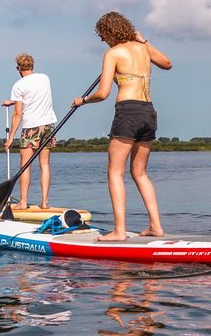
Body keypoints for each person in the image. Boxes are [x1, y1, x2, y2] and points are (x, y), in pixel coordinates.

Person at [73, 12, 172, 241]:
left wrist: (83, 101)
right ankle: (156, 226)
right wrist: (144, 40)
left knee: (115, 172)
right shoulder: (143, 48)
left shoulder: (113, 53)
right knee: (139, 172)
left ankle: (119, 231)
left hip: (128, 112)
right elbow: (167, 63)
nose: (102, 40)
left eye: (103, 35)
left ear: (110, 32)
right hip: (149, 111)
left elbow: (103, 93)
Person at [5, 53, 57, 210]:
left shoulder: (18, 85)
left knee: (25, 166)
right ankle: (45, 202)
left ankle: (23, 202)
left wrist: (11, 138)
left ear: (18, 68)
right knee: (45, 164)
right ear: (32, 66)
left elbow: (18, 113)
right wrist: (13, 100)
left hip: (31, 127)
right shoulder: (44, 78)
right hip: (48, 125)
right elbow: (34, 94)